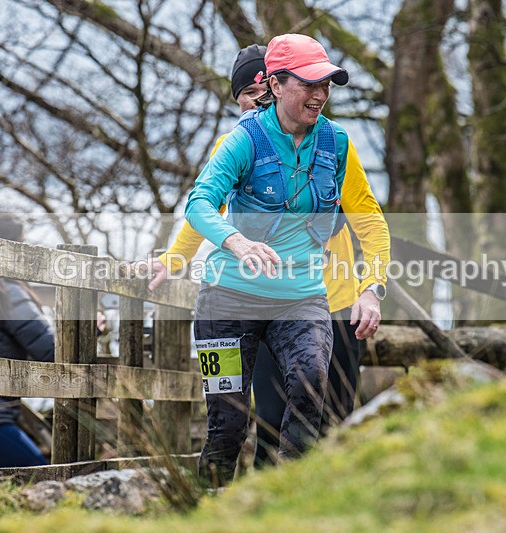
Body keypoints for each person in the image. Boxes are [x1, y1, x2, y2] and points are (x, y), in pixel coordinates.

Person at [148, 42, 390, 470]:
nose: (253, 103)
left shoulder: (334, 144)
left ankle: (310, 506)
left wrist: (371, 287)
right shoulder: (241, 142)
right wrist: (175, 260)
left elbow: (369, 218)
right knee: (241, 424)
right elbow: (203, 206)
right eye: (248, 95)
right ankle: (239, 506)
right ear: (273, 88)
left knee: (330, 419)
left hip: (327, 303)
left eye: (323, 85)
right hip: (234, 301)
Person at [0, 213, 54, 467]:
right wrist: (91, 329)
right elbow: (50, 350)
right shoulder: (7, 292)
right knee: (42, 477)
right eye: (21, 245)